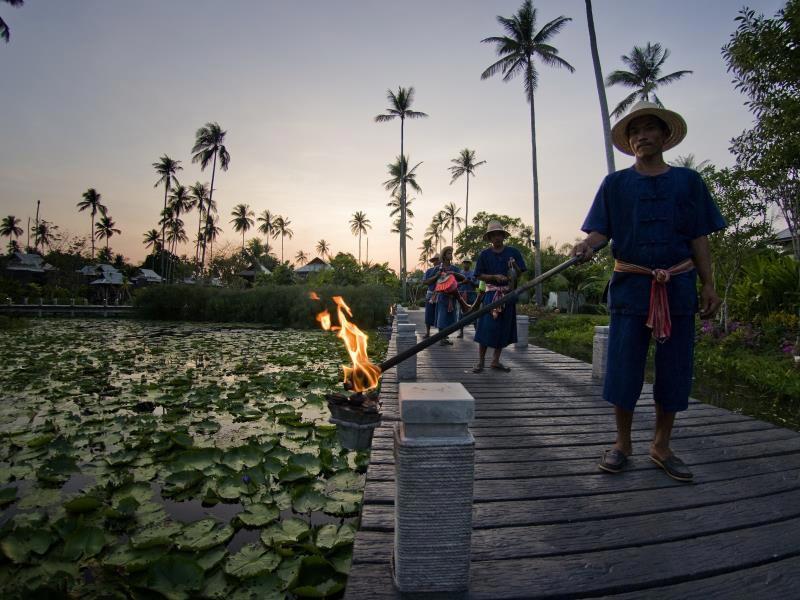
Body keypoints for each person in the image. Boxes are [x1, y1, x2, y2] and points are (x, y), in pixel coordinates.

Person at [572, 100, 725, 482]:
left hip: (678, 285)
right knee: (624, 366)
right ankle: (622, 444)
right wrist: (586, 245)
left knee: (674, 368)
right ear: (629, 141)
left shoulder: (688, 181)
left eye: (649, 128)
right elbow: (601, 231)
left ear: (664, 136)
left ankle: (661, 445)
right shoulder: (615, 184)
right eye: (634, 131)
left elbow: (698, 236)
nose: (642, 135)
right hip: (631, 287)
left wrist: (709, 284)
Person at [472, 221, 526, 372]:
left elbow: (520, 273)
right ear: (490, 238)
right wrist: (494, 277)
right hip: (491, 295)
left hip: (508, 294)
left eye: (499, 234)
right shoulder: (485, 254)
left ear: (503, 236)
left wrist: (514, 267)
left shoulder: (513, 252)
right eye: (493, 235)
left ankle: (495, 360)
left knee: (503, 327)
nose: (497, 237)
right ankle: (481, 361)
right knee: (486, 328)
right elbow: (479, 275)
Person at [428, 246, 465, 345]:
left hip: (452, 296)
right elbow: (427, 281)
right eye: (448, 253)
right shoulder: (438, 268)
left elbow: (464, 278)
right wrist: (437, 276)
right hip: (442, 296)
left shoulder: (454, 268)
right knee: (442, 316)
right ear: (444, 255)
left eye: (451, 253)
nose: (450, 255)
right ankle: (441, 338)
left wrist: (454, 275)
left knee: (450, 317)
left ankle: (445, 337)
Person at [456, 258, 477, 338]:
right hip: (461, 296)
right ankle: (461, 332)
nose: (466, 264)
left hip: (471, 295)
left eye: (467, 263)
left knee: (474, 313)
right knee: (461, 315)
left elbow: (477, 284)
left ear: (470, 264)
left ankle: (476, 331)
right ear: (462, 264)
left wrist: (470, 281)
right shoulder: (459, 273)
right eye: (464, 263)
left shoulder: (473, 273)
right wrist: (462, 282)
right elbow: (455, 284)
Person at [421, 256, 441, 338]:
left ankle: (442, 334)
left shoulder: (445, 270)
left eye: (438, 260)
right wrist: (436, 276)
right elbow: (425, 282)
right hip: (431, 294)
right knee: (428, 313)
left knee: (441, 314)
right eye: (435, 260)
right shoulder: (429, 271)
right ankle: (428, 332)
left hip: (441, 294)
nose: (436, 262)